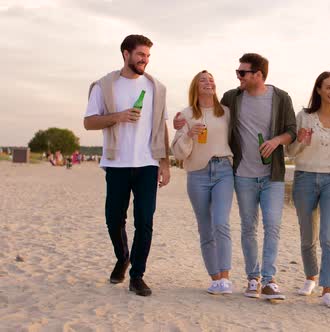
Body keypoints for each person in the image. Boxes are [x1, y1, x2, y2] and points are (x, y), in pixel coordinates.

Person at [176, 53, 296, 300]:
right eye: (237, 73)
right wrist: (184, 125)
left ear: (258, 75)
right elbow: (195, 124)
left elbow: (291, 130)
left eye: (242, 73)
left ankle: (268, 280)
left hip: (264, 173)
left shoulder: (279, 98)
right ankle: (249, 279)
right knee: (243, 227)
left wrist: (275, 142)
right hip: (239, 174)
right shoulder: (233, 99)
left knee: (270, 225)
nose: (238, 76)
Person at [83, 34, 171, 297]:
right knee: (113, 219)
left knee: (144, 221)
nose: (144, 60)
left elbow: (161, 128)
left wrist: (165, 164)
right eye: (140, 55)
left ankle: (137, 276)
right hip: (116, 162)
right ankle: (123, 257)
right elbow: (89, 122)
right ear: (126, 53)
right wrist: (118, 117)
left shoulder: (157, 87)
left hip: (147, 163)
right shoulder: (104, 85)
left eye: (147, 56)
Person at [286, 72, 330, 309]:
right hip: (304, 178)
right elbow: (291, 153)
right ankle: (310, 277)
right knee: (307, 235)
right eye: (329, 87)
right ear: (319, 90)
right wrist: (301, 140)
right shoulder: (304, 116)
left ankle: (327, 290)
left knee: (329, 237)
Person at [171, 70, 235, 295]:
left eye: (211, 79)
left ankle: (226, 277)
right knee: (205, 227)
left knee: (221, 222)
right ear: (195, 87)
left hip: (224, 171)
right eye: (203, 80)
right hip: (197, 173)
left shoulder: (226, 112)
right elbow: (178, 152)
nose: (209, 82)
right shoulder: (186, 114)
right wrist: (188, 134)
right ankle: (215, 278)